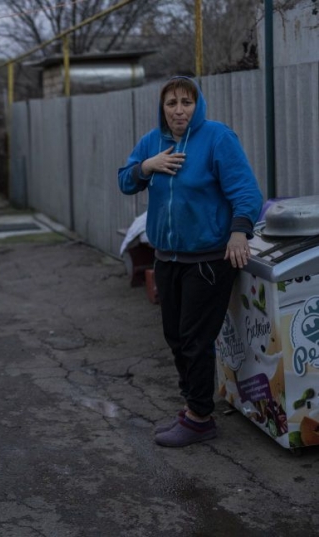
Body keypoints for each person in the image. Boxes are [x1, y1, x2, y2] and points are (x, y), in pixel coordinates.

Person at [118, 76, 263, 448]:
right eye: (172, 103)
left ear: (198, 105)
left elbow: (246, 190)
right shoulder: (152, 142)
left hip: (210, 259)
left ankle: (200, 418)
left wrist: (238, 232)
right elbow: (126, 181)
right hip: (167, 258)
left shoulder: (217, 138)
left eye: (187, 102)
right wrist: (147, 165)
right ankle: (192, 405)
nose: (179, 109)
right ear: (162, 108)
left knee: (195, 340)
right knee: (176, 337)